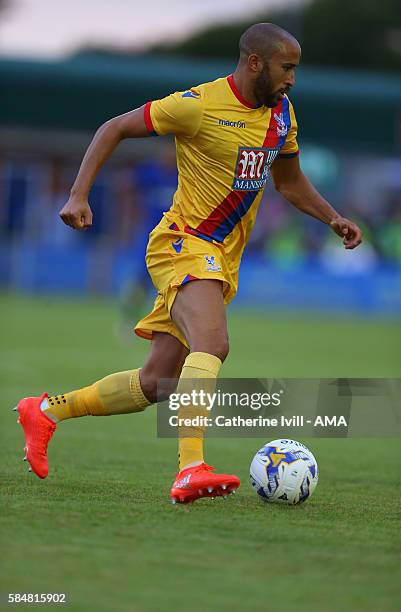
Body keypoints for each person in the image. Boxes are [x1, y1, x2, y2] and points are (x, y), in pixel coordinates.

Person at [15, 23, 362, 504]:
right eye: (287, 68)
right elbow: (112, 127)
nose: (292, 80)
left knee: (156, 382)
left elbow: (289, 182)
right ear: (255, 62)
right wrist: (78, 194)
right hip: (183, 242)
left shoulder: (281, 114)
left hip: (220, 257)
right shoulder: (196, 105)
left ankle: (46, 411)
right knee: (213, 344)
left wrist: (333, 218)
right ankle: (190, 468)